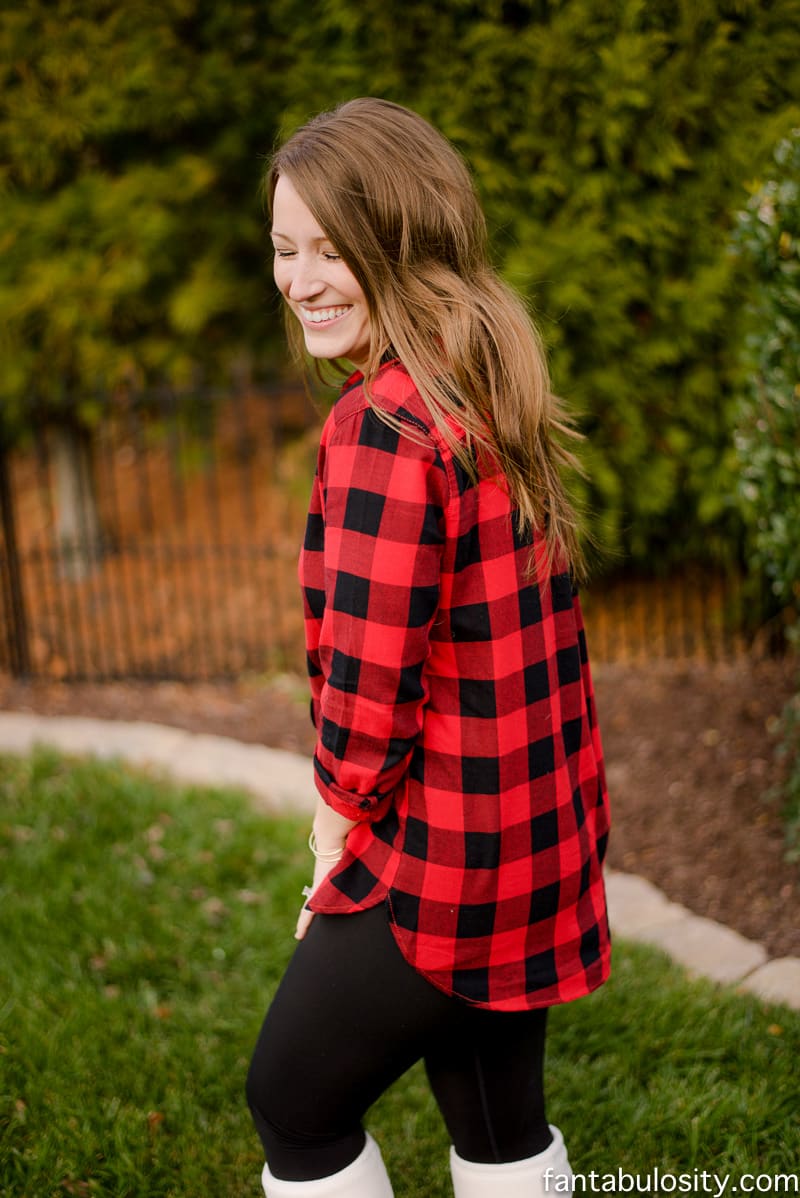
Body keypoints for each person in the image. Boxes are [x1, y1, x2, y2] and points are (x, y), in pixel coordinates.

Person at [246, 97, 611, 1198]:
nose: (299, 278)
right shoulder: (479, 374)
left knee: (293, 1100)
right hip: (537, 842)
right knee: (496, 1109)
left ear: (400, 240)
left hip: (442, 861)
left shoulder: (381, 427)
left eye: (328, 248)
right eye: (281, 247)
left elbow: (365, 696)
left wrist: (333, 835)